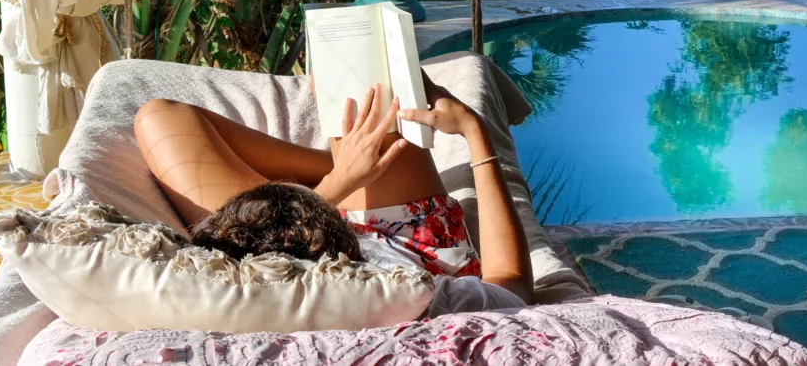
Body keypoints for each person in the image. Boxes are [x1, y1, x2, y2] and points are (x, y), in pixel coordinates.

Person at [134, 72, 534, 316]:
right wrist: (473, 129)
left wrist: (340, 180)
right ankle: (355, 163)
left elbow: (255, 241)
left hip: (267, 236)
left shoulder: (243, 277)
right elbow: (510, 286)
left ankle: (345, 165)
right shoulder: (415, 295)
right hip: (408, 244)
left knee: (159, 116)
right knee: (376, 82)